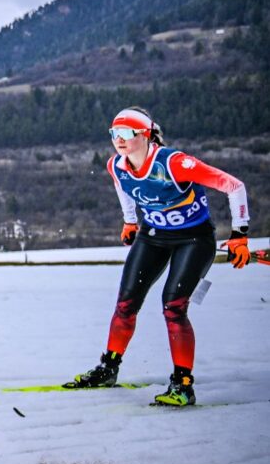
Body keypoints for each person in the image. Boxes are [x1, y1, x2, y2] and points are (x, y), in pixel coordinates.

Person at [63, 107, 251, 406]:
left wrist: (240, 235)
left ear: (146, 135)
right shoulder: (117, 165)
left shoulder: (176, 163)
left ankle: (182, 384)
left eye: (127, 134)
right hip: (152, 237)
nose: (119, 140)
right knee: (126, 304)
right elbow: (123, 188)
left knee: (173, 308)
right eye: (114, 134)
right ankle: (108, 368)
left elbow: (234, 186)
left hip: (193, 239)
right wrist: (129, 220)